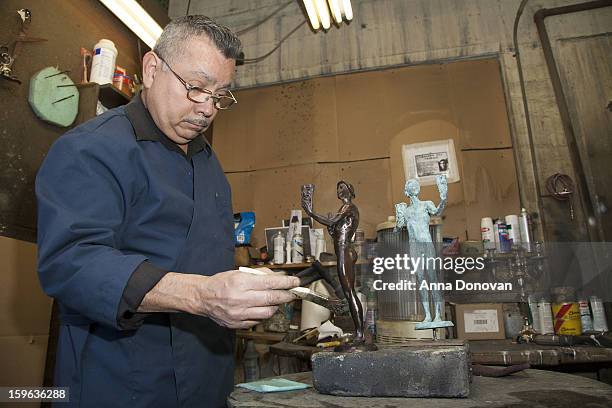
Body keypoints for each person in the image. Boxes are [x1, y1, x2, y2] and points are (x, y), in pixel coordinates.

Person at [36, 16, 298, 408]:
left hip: (207, 378)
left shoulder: (207, 162)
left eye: (220, 95)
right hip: (123, 380)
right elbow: (70, 262)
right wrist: (201, 295)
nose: (207, 108)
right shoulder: (91, 149)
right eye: (196, 88)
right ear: (152, 69)